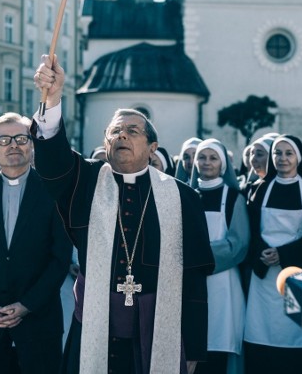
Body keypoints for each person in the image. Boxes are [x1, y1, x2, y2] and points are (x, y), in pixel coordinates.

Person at [32, 56, 214, 374]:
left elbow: (195, 278)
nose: (122, 136)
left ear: (152, 146)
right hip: (92, 321)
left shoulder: (184, 197)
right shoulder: (85, 180)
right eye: (115, 131)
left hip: (160, 325)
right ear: (106, 141)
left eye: (132, 131)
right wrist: (53, 99)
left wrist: (194, 345)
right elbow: (53, 160)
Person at [0, 113, 72, 374]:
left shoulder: (54, 191)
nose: (13, 145)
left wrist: (26, 305)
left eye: (21, 138)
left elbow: (60, 258)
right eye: (4, 140)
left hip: (38, 322)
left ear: (32, 145)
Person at [243, 134, 302, 374]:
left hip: (301, 274)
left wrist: (284, 254)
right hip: (264, 275)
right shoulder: (258, 189)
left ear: (299, 158)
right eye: (278, 153)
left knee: (298, 339)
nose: (282, 158)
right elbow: (251, 229)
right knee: (261, 338)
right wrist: (263, 253)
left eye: (289, 153)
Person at [189, 139, 250, 374]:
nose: (206, 162)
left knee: (217, 346)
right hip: (191, 280)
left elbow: (239, 243)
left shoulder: (234, 198)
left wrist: (199, 257)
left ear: (223, 165)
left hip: (223, 283)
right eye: (202, 157)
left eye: (213, 158)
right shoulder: (185, 194)